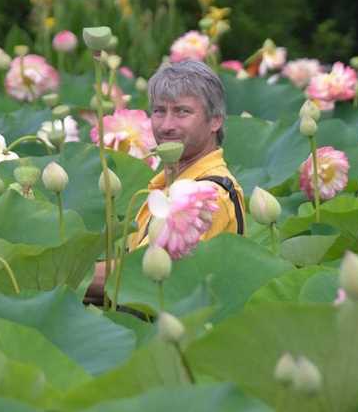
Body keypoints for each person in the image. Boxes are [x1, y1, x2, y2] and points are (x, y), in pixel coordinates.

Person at [86, 60, 245, 302]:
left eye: (182, 111)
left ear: (215, 120)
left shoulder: (209, 196)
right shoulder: (165, 187)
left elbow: (143, 275)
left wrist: (61, 276)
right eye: (159, 111)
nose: (167, 126)